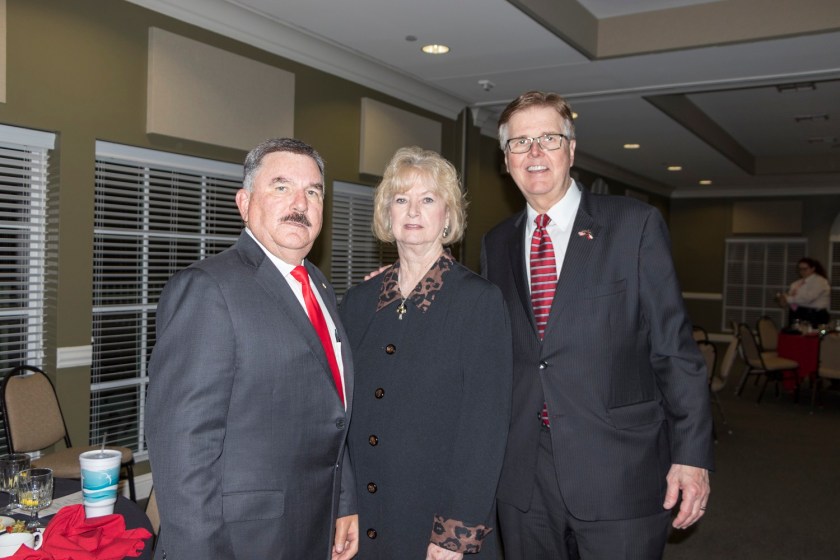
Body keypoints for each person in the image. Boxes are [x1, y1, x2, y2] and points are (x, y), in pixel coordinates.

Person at [480, 91, 714, 559]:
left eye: (548, 138)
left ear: (571, 148)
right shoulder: (495, 243)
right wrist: (410, 280)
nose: (535, 153)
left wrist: (691, 456)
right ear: (506, 160)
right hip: (525, 480)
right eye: (520, 143)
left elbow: (674, 351)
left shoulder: (634, 225)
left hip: (619, 470)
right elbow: (488, 339)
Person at [146, 138, 358, 560]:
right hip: (240, 542)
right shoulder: (209, 288)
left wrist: (345, 502)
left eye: (313, 191)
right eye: (281, 186)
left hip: (313, 527)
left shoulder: (319, 287)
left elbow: (332, 414)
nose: (300, 202)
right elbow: (184, 448)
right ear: (244, 203)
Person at [340, 146, 512, 560]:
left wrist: (455, 533)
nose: (412, 210)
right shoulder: (358, 302)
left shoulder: (478, 301)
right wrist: (343, 505)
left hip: (437, 522)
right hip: (366, 516)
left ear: (448, 216)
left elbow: (485, 429)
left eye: (428, 199)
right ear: (387, 214)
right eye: (401, 199)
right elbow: (340, 416)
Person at [776, 257, 831, 327]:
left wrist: (787, 299)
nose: (802, 271)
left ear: (812, 269)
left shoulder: (820, 282)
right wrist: (783, 300)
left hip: (814, 315)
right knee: (794, 336)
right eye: (800, 269)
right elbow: (792, 299)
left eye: (805, 269)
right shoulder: (796, 283)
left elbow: (809, 298)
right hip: (797, 313)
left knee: (812, 337)